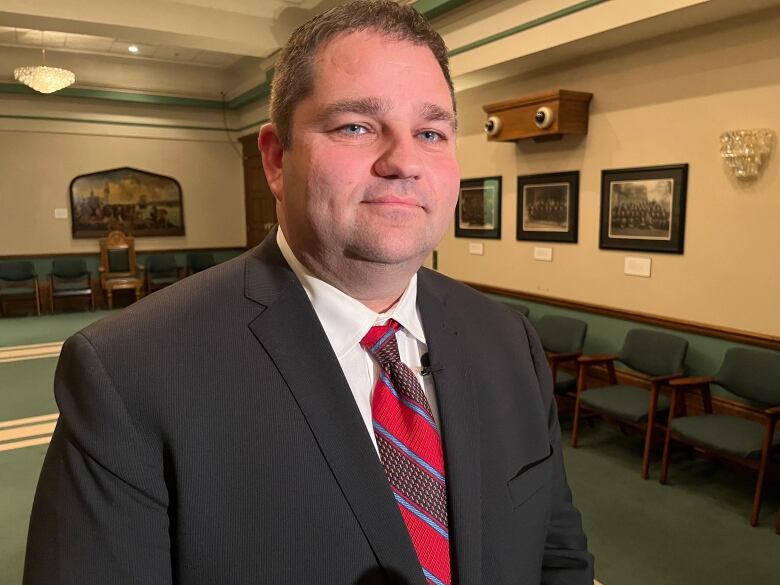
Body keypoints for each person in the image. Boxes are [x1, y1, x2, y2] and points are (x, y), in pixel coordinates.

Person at [24, 2, 593, 584]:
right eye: (356, 126)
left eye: (430, 132)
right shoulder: (130, 370)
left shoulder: (508, 339)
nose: (403, 162)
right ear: (275, 159)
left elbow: (558, 556)